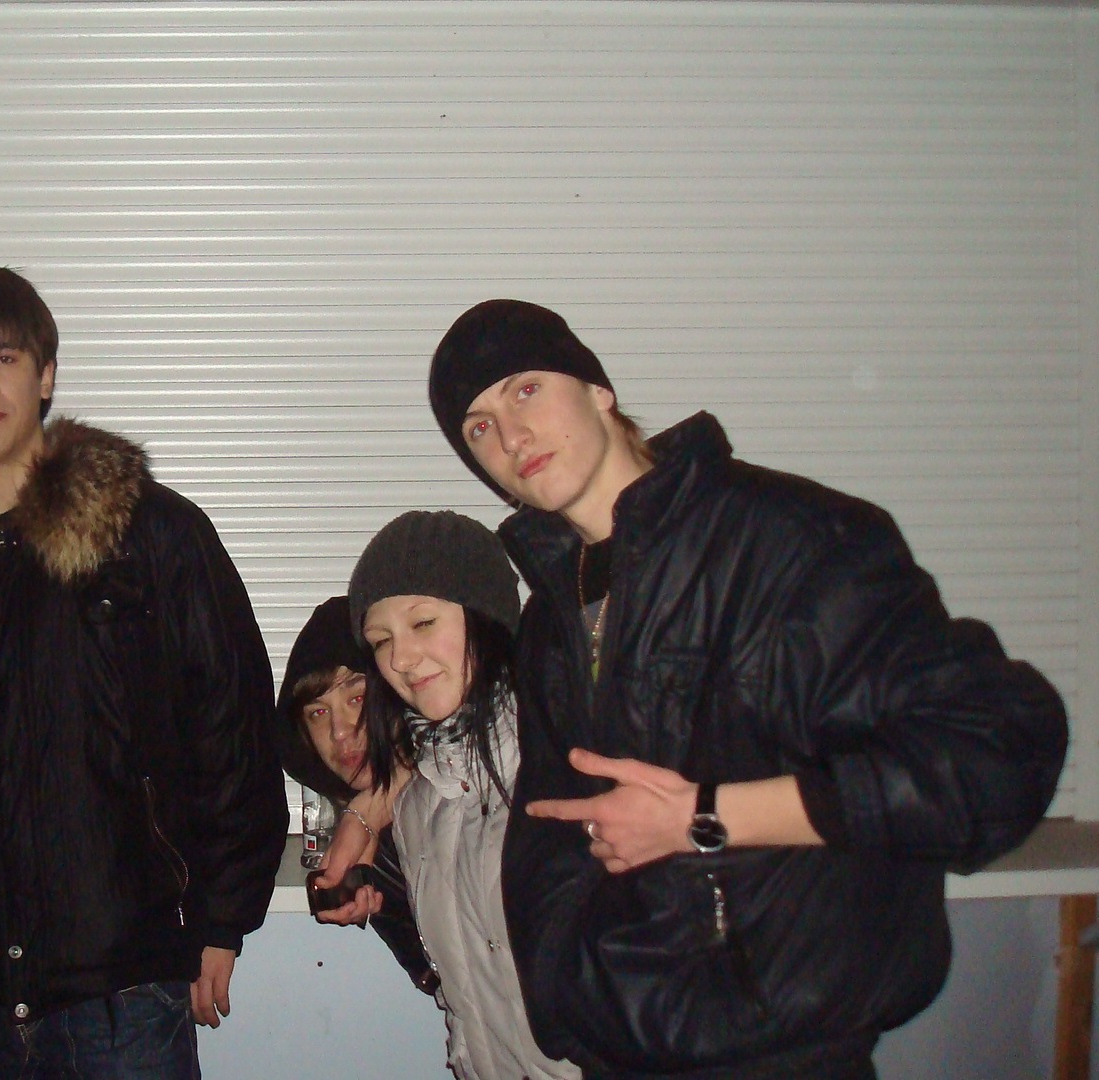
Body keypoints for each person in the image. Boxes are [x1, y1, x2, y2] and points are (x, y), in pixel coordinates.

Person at [427, 298, 1068, 1078]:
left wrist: (703, 816)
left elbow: (994, 756)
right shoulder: (550, 622)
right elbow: (551, 838)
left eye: (525, 390)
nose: (511, 436)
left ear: (598, 390)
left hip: (784, 1054)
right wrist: (566, 997)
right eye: (479, 428)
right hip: (617, 1054)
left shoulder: (788, 541)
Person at [0, 264, 288, 1078]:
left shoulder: (150, 535)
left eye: (4, 355)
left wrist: (220, 918)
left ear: (46, 375)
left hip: (123, 987)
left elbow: (232, 725)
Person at [331, 513, 578, 1080]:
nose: (400, 658)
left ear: (485, 615)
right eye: (381, 641)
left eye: (422, 622)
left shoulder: (570, 765)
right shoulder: (418, 804)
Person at [274, 595, 438, 996]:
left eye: (356, 698)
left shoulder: (471, 781)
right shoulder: (365, 842)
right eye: (318, 712)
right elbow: (441, 977)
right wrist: (390, 908)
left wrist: (368, 809)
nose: (339, 731)